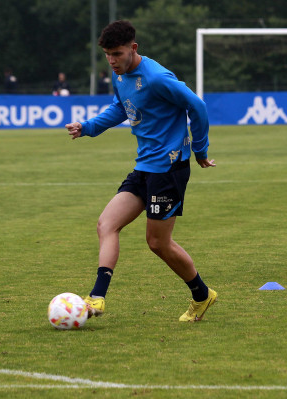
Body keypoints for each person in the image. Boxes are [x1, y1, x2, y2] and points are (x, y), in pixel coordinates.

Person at [65, 20, 218, 322]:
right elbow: (121, 108)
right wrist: (88, 127)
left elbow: (197, 107)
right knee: (106, 224)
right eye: (107, 55)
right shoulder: (121, 75)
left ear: (133, 48)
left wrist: (200, 150)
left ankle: (202, 295)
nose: (112, 61)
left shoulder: (158, 78)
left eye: (117, 54)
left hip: (169, 169)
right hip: (144, 167)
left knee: (157, 243)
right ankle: (97, 298)